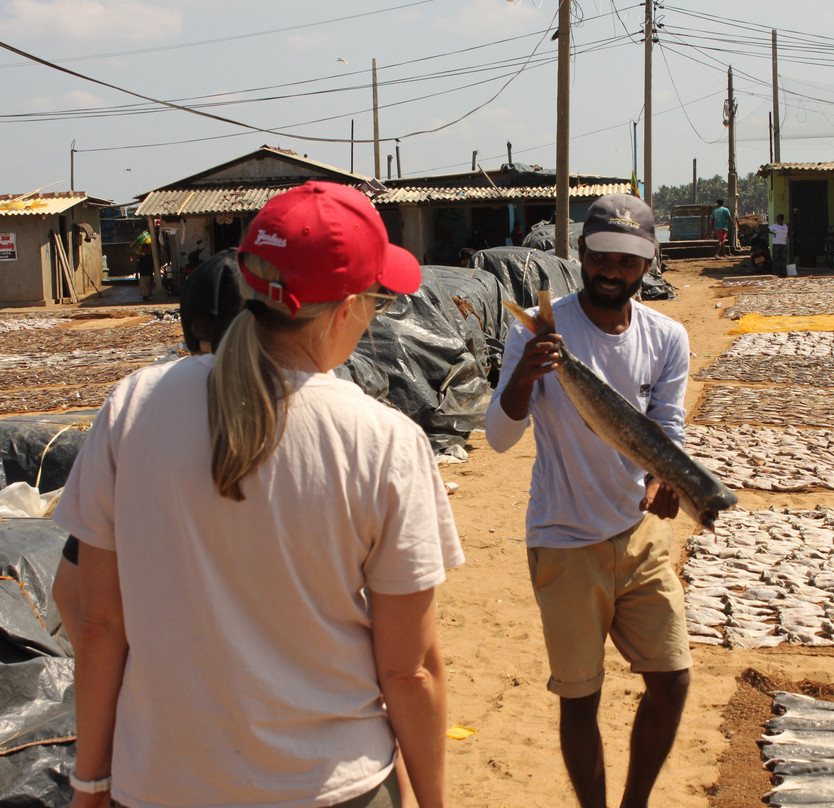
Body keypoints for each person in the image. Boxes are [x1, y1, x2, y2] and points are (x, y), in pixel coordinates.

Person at [53, 181, 463, 808]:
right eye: (378, 300)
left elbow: (99, 620)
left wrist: (90, 781)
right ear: (350, 306)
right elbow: (409, 671)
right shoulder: (385, 443)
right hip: (330, 785)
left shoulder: (134, 407)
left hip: (164, 783)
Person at [486, 193, 692, 808]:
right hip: (564, 540)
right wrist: (525, 372)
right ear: (581, 253)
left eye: (628, 262)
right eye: (602, 256)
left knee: (672, 681)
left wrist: (664, 480)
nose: (612, 271)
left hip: (640, 537)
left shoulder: (667, 336)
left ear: (648, 265)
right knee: (582, 699)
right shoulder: (538, 326)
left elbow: (668, 428)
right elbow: (499, 438)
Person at [51, 248, 248, 654]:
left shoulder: (133, 406)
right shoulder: (340, 420)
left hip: (164, 696)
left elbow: (71, 594)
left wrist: (110, 691)